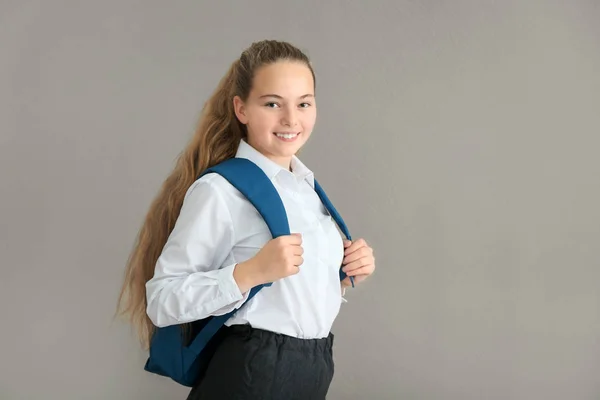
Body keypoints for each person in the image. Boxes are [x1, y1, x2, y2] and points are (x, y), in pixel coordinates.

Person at [116, 39, 376, 399]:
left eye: (304, 104)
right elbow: (162, 300)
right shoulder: (221, 190)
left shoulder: (309, 192)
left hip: (312, 370)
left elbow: (290, 299)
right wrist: (250, 272)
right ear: (241, 109)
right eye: (272, 104)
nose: (291, 119)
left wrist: (344, 276)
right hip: (251, 377)